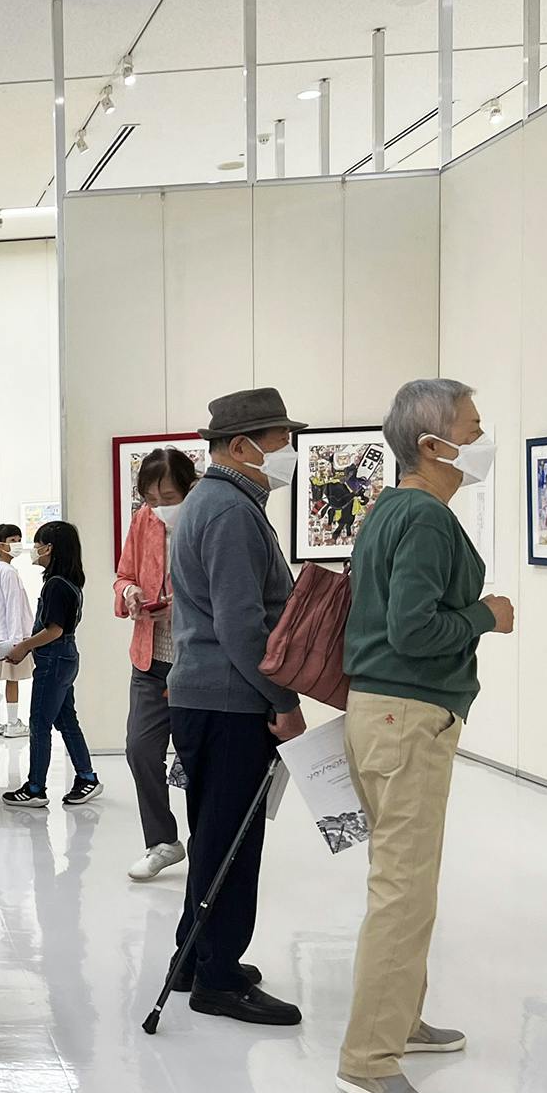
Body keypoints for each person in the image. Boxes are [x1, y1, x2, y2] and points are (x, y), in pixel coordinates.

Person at [335, 379, 515, 1093]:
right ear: (433, 444)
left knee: (405, 881)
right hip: (405, 717)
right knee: (404, 890)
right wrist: (486, 615)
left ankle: (401, 1018)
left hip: (385, 715)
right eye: (473, 430)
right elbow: (413, 631)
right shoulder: (426, 519)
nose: (482, 440)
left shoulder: (392, 509)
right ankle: (370, 1062)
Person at [167, 387, 309, 1026]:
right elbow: (242, 625)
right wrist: (282, 699)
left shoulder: (219, 501)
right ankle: (218, 978)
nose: (288, 451)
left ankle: (194, 955)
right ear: (243, 445)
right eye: (281, 440)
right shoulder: (229, 510)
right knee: (232, 840)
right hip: (231, 699)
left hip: (212, 694)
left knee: (213, 833)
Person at [115, 449, 198, 879]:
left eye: (168, 497)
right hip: (149, 660)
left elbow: (220, 593)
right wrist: (129, 594)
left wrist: (178, 607)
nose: (159, 506)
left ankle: (207, 842)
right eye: (150, 498)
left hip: (197, 661)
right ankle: (163, 841)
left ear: (188, 488)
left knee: (198, 757)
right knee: (140, 749)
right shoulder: (142, 522)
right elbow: (123, 576)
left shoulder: (206, 519)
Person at [0, 521, 100, 809]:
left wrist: (24, 647)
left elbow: (54, 630)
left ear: (50, 548)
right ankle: (87, 777)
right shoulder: (70, 582)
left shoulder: (56, 584)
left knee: (39, 722)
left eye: (38, 544)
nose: (34, 550)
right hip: (65, 657)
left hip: (54, 659)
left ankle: (35, 788)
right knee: (66, 719)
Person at [0, 523, 30, 736]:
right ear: (0, 545)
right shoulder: (8, 572)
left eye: (19, 539)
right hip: (8, 636)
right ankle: (12, 723)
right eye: (12, 540)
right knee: (12, 678)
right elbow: (13, 607)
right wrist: (17, 640)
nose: (17, 544)